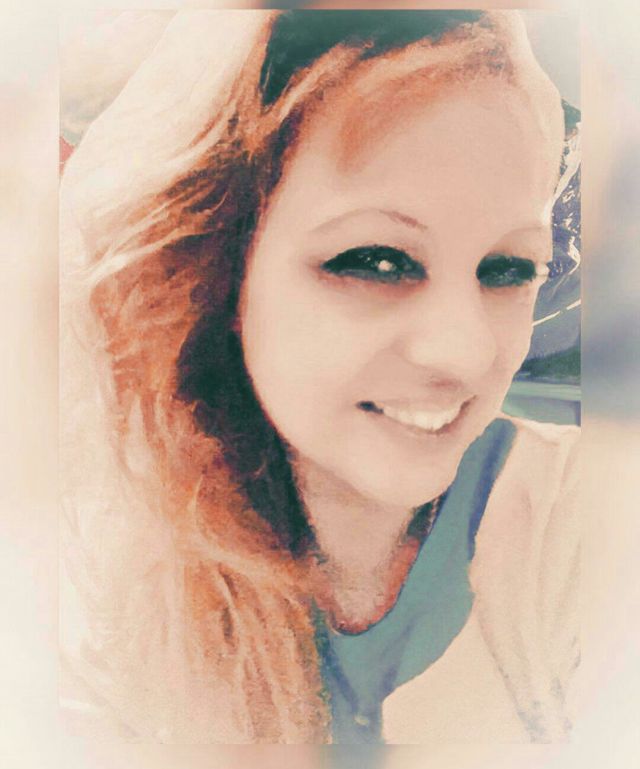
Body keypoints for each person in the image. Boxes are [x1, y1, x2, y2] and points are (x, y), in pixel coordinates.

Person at [60, 9, 580, 744]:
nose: (466, 354)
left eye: (508, 269)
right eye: (376, 261)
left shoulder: (580, 518)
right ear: (219, 269)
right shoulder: (101, 581)